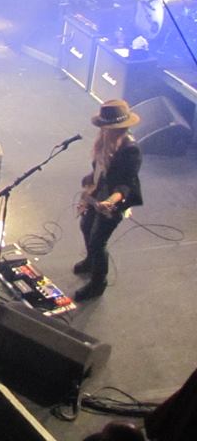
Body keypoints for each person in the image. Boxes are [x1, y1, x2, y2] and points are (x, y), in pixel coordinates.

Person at [74, 99, 143, 301]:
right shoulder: (104, 141)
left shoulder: (130, 150)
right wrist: (90, 182)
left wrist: (110, 201)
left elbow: (125, 185)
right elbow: (100, 168)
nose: (105, 131)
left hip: (115, 199)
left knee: (98, 241)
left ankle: (98, 283)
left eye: (109, 128)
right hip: (99, 192)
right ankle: (90, 261)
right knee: (86, 226)